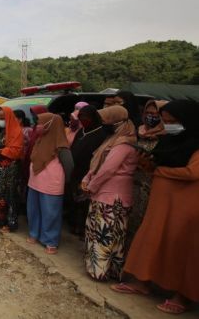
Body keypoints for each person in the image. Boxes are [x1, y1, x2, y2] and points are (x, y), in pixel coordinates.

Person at [111, 100, 199, 315]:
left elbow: (192, 173)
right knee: (151, 239)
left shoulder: (196, 143)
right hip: (161, 201)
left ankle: (182, 295)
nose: (168, 125)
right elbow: (157, 165)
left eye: (173, 121)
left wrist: (160, 172)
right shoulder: (168, 141)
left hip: (185, 204)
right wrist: (146, 163)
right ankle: (142, 282)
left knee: (181, 247)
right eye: (165, 121)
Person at [81, 106, 138, 281]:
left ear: (118, 123)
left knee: (104, 235)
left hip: (111, 197)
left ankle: (99, 271)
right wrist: (87, 178)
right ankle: (110, 270)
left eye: (107, 122)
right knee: (111, 235)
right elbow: (98, 163)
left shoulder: (124, 145)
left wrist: (91, 186)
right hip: (107, 194)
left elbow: (107, 169)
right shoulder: (113, 140)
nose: (104, 125)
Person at [26, 113, 73, 255]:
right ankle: (34, 233)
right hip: (35, 181)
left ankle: (50, 240)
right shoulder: (40, 139)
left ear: (50, 125)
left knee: (51, 213)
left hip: (51, 184)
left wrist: (67, 182)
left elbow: (69, 166)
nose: (38, 126)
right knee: (34, 210)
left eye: (41, 123)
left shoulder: (61, 145)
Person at [125, 100, 167, 250]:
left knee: (144, 224)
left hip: (151, 186)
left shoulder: (166, 137)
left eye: (156, 114)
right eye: (148, 113)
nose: (151, 116)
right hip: (132, 181)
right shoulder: (139, 131)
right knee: (130, 220)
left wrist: (148, 163)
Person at [67, 105, 109, 236]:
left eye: (85, 118)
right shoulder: (81, 131)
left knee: (85, 203)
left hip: (89, 172)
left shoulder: (101, 134)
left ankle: (83, 229)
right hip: (76, 171)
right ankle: (73, 225)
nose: (83, 120)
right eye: (81, 118)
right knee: (74, 200)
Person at [0, 106, 24, 232]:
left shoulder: (16, 131)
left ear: (9, 117)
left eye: (3, 118)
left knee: (8, 195)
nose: (0, 121)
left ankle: (8, 222)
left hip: (9, 170)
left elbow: (16, 151)